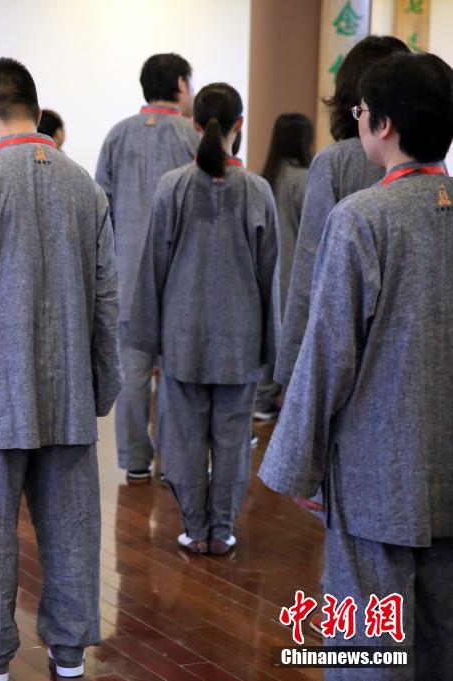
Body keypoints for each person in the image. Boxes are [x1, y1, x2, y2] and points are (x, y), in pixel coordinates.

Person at [259, 52, 453, 680]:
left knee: (370, 643)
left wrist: (300, 464)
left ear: (384, 124)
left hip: (377, 468)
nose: (358, 118)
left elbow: (328, 353)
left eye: (362, 110)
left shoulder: (363, 217)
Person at [0, 57, 120, 681]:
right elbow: (106, 297)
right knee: (73, 527)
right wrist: (102, 382)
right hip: (69, 390)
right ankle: (70, 651)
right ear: (34, 110)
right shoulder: (86, 188)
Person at [128, 83, 277, 556]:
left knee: (186, 436)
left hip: (182, 336)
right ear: (240, 125)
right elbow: (269, 274)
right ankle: (223, 530)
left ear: (193, 125)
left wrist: (150, 338)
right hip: (241, 339)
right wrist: (271, 349)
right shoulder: (257, 189)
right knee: (233, 438)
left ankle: (194, 529)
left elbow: (153, 267)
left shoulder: (172, 185)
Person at [275, 36, 408, 386]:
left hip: (344, 347)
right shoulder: (430, 174)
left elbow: (310, 268)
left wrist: (291, 371)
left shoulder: (334, 162)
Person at [96, 53, 199, 481]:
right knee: (176, 375)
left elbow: (100, 210)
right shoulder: (193, 136)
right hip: (180, 277)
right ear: (181, 84)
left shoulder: (117, 135)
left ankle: (135, 461)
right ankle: (175, 461)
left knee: (132, 374)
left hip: (126, 275)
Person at [253, 113, 313, 420]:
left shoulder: (262, 178)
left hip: (264, 274)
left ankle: (263, 399)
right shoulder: (305, 179)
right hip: (295, 275)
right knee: (295, 342)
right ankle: (286, 403)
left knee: (268, 338)